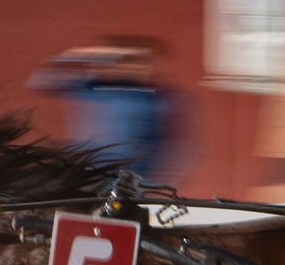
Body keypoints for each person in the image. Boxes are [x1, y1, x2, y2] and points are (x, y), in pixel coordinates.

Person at [28, 36, 180, 183]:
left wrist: (151, 180)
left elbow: (170, 147)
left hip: (129, 177)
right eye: (126, 61)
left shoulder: (157, 97)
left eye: (140, 62)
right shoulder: (94, 86)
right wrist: (79, 57)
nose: (137, 67)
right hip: (89, 170)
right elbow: (40, 82)